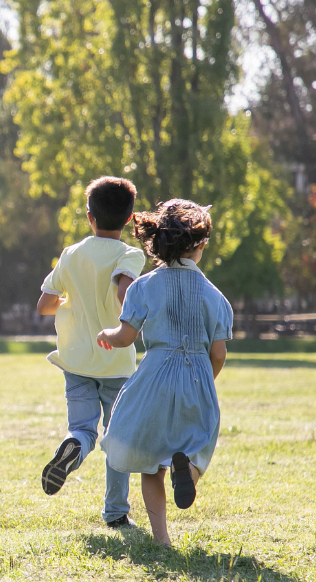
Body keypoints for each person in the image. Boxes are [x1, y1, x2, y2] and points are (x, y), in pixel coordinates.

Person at [96, 199, 232, 547]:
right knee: (198, 446)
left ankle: (162, 541)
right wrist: (204, 380)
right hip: (198, 376)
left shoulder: (143, 286)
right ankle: (188, 471)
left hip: (154, 375)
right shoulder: (216, 297)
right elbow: (218, 353)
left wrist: (106, 335)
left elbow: (125, 337)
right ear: (200, 244)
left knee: (149, 461)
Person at [35, 176, 146, 528]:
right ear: (129, 219)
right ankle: (115, 512)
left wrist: (75, 303)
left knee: (82, 428)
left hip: (76, 359)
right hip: (115, 360)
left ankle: (73, 446)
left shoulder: (71, 253)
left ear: (89, 216)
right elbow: (123, 293)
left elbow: (44, 305)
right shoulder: (130, 254)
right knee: (117, 437)